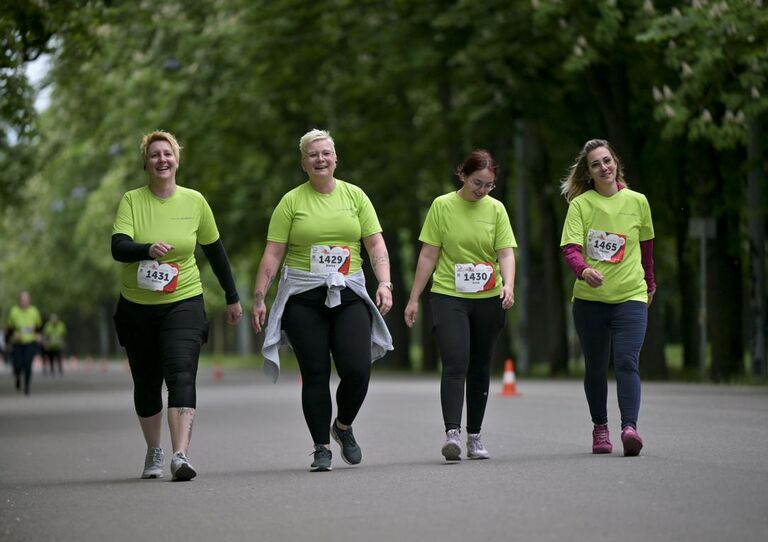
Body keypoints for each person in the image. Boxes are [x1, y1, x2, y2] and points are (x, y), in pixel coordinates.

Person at [251, 128, 393, 472]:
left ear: (335, 158)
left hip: (348, 292)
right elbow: (273, 253)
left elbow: (375, 244)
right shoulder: (291, 202)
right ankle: (320, 447)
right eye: (313, 154)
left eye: (326, 153)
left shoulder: (355, 196)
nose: (320, 159)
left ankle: (342, 427)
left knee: (357, 370)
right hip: (303, 297)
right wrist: (259, 298)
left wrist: (385, 282)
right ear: (304, 163)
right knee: (314, 373)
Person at [111, 130, 242, 481]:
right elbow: (119, 247)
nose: (161, 160)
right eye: (154, 154)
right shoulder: (132, 201)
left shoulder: (195, 202)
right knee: (147, 383)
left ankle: (180, 455)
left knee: (182, 372)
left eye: (167, 154)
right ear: (146, 162)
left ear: (177, 160)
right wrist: (147, 248)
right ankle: (154, 450)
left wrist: (232, 297)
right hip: (137, 307)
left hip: (183, 300)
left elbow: (215, 252)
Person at [404, 150, 516, 462]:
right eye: (477, 183)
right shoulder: (442, 206)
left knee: (480, 366)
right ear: (462, 176)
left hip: (488, 298)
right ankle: (452, 433)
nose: (482, 190)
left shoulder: (496, 210)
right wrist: (414, 298)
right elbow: (428, 255)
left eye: (489, 185)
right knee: (455, 361)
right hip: (449, 295)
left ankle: (474, 437)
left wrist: (508, 284)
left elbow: (506, 253)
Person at [559, 138, 655, 457]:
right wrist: (584, 270)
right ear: (588, 173)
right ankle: (600, 427)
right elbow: (570, 249)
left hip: (631, 295)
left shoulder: (638, 202)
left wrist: (650, 284)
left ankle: (630, 428)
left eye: (608, 160)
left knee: (627, 361)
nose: (604, 167)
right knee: (597, 366)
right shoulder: (581, 206)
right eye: (596, 164)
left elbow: (646, 250)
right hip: (590, 301)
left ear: (616, 162)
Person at [6, 291, 42, 395]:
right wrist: (8, 339)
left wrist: (39, 335)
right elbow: (10, 328)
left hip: (30, 342)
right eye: (22, 300)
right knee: (17, 365)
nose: (24, 302)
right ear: (19, 301)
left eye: (26, 300)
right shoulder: (14, 311)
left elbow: (38, 327)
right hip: (17, 342)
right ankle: (17, 376)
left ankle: (27, 386)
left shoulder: (34, 311)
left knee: (27, 364)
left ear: (29, 301)